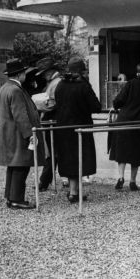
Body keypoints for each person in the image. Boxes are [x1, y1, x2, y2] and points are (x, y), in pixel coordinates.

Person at [0, 59, 45, 210]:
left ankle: (11, 198)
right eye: (24, 72)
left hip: (9, 133)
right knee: (21, 166)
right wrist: (30, 134)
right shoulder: (16, 90)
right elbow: (20, 115)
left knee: (13, 166)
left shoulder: (4, 88)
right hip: (18, 134)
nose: (25, 75)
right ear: (19, 74)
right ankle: (17, 199)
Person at [54, 57, 102, 203]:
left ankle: (74, 191)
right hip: (80, 128)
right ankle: (74, 192)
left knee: (69, 159)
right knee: (79, 159)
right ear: (82, 71)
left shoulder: (60, 85)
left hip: (63, 128)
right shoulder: (83, 85)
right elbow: (96, 107)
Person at [110, 61, 140, 191]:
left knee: (122, 152)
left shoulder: (131, 84)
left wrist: (117, 106)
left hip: (124, 121)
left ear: (137, 73)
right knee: (136, 152)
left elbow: (118, 101)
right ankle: (133, 181)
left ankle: (120, 177)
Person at [35, 57, 63, 192]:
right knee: (53, 152)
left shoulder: (56, 83)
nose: (43, 76)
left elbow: (53, 104)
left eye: (44, 73)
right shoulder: (54, 82)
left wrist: (37, 104)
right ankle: (45, 180)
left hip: (53, 120)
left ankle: (44, 181)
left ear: (50, 71)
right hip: (52, 121)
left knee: (53, 152)